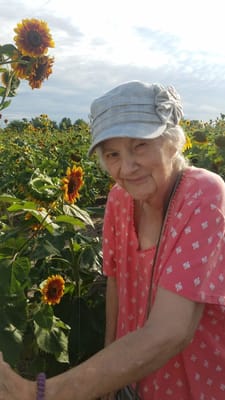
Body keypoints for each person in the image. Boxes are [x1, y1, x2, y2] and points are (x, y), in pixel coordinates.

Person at [0, 80, 225, 400]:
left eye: (140, 146)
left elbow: (174, 331)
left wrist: (37, 393)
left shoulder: (203, 194)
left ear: (173, 143)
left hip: (196, 374)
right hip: (133, 370)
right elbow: (117, 284)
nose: (127, 167)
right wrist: (110, 378)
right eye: (113, 154)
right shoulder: (120, 199)